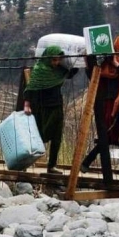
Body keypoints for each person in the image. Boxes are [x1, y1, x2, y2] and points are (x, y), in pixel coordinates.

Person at [81, 34, 119, 180]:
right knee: (107, 135)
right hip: (107, 104)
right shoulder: (106, 63)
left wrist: (117, 65)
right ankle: (86, 162)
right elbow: (94, 75)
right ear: (117, 46)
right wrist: (91, 57)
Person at [23, 45, 78, 174]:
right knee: (37, 136)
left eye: (58, 60)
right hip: (41, 108)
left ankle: (52, 165)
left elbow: (69, 74)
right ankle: (24, 162)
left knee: (57, 136)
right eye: (54, 60)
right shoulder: (39, 69)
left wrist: (78, 62)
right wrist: (27, 104)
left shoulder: (59, 70)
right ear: (48, 58)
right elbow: (31, 87)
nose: (56, 63)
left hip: (57, 106)